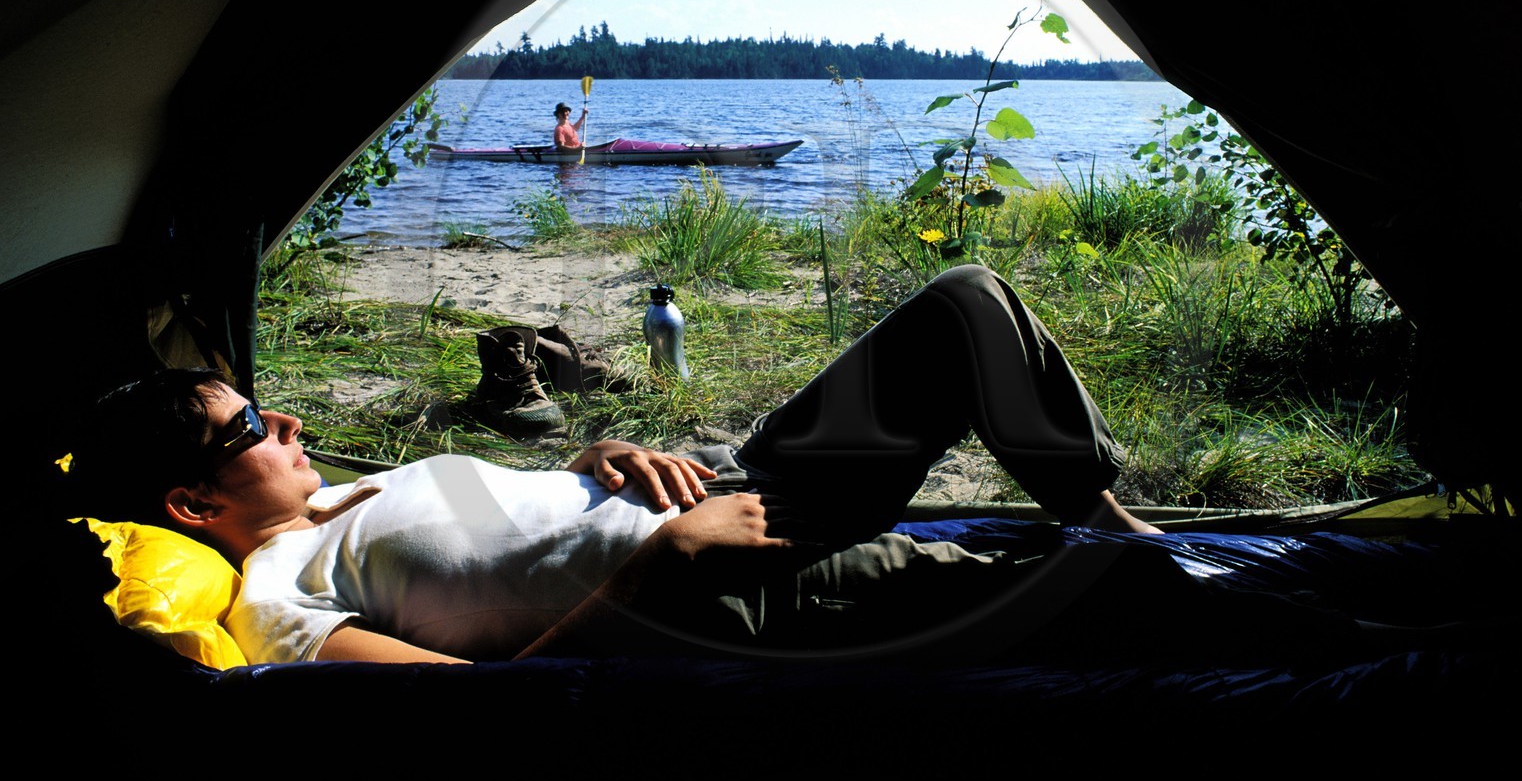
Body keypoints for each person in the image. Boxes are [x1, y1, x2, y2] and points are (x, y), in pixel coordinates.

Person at [73, 265, 1163, 667]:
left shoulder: (358, 492)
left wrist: (595, 458)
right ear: (192, 502)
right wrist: (666, 564)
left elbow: (508, 523)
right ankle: (1148, 561)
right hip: (723, 583)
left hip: (731, 478)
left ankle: (1109, 511)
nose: (289, 419)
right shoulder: (277, 602)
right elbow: (484, 707)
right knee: (1099, 598)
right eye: (253, 427)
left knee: (966, 304)